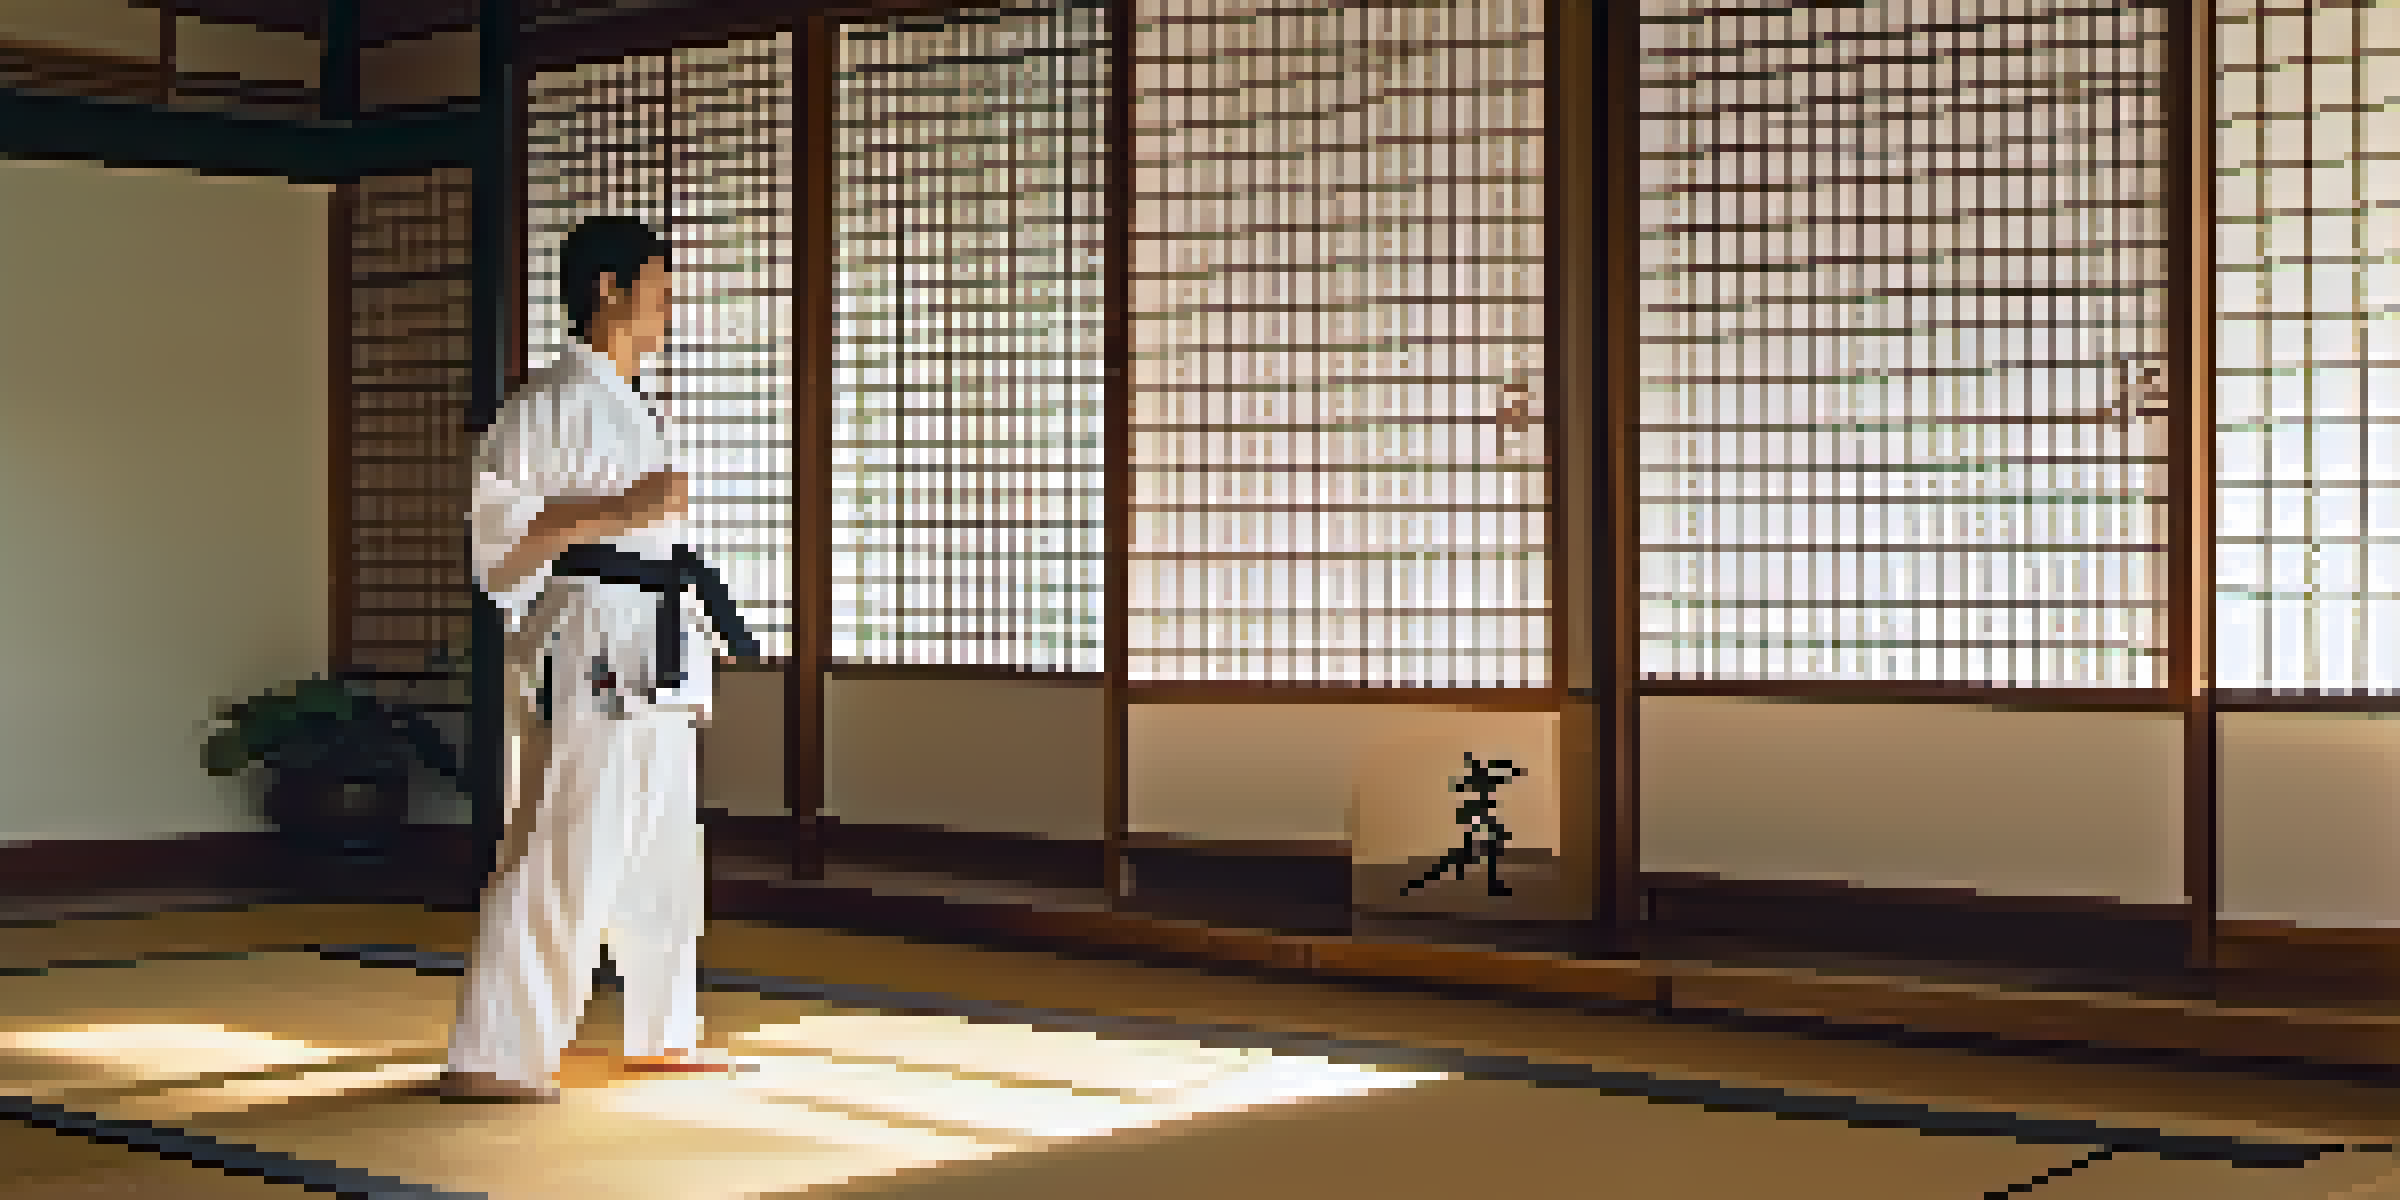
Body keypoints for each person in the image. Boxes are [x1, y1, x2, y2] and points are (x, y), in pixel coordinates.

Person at [439, 215, 754, 1102]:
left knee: (661, 847)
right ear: (609, 287)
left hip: (649, 639)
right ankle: (494, 1054)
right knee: (564, 841)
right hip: (586, 641)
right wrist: (623, 511)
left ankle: (662, 1031)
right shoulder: (541, 406)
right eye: (657, 283)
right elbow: (500, 552)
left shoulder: (630, 401)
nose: (668, 302)